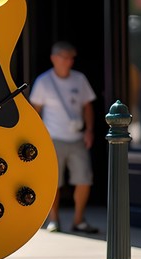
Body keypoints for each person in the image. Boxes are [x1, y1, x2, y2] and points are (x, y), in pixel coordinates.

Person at [29, 41, 99, 234]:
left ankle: (78, 220)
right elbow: (35, 111)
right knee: (54, 182)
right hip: (53, 139)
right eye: (64, 57)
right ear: (54, 58)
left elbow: (87, 106)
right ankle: (54, 219)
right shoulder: (44, 81)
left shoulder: (79, 79)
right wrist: (37, 138)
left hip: (77, 137)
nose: (68, 62)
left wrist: (89, 130)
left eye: (71, 58)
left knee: (84, 179)